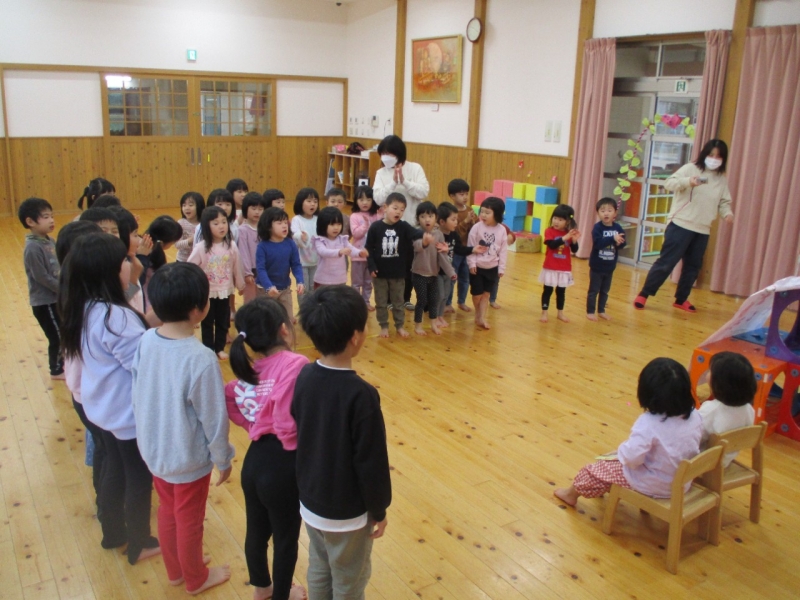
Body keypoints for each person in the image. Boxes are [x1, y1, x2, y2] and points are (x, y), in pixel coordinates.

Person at [132, 262, 234, 595]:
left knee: (168, 511)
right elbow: (213, 418)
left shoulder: (146, 339)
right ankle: (196, 577)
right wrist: (223, 458)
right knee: (189, 519)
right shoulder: (200, 357)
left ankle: (176, 571)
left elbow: (137, 388)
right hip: (187, 458)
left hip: (154, 450)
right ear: (198, 310)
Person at [58, 232, 160, 564]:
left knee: (115, 467)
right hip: (126, 414)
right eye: (124, 261)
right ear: (109, 272)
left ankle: (113, 532)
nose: (130, 265)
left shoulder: (84, 306)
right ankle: (140, 543)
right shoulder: (114, 317)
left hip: (102, 409)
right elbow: (141, 366)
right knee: (139, 478)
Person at [292, 286, 391, 600]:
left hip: (311, 503)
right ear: (356, 337)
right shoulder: (362, 395)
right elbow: (371, 463)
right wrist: (379, 509)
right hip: (347, 515)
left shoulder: (304, 376)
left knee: (319, 566)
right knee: (349, 580)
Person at [225, 298, 309, 600]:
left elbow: (229, 398)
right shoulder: (296, 363)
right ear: (284, 329)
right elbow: (286, 417)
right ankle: (282, 596)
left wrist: (252, 424)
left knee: (257, 531)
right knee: (286, 540)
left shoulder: (248, 372)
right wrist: (288, 436)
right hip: (283, 466)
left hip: (254, 462)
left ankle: (262, 589)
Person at [554, 357, 703, 507]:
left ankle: (570, 494)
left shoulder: (649, 423)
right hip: (681, 483)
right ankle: (604, 484)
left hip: (653, 483)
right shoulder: (695, 415)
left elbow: (631, 458)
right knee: (612, 459)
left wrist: (620, 453)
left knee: (594, 470)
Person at [634, 139, 734, 313]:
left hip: (702, 229)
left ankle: (681, 299)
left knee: (693, 266)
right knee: (666, 263)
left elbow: (724, 202)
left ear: (723, 159)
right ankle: (644, 294)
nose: (714, 159)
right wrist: (688, 181)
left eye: (718, 156)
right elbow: (669, 183)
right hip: (680, 224)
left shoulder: (721, 179)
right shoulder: (690, 168)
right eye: (711, 155)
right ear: (705, 154)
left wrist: (727, 213)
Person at [56, 221, 105, 504]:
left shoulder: (73, 294)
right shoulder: (93, 306)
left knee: (102, 448)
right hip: (90, 393)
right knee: (106, 452)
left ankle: (106, 504)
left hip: (83, 391)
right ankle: (108, 506)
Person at [372, 135, 430, 310]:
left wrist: (404, 182)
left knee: (409, 265)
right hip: (389, 228)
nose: (385, 157)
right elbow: (378, 198)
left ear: (399, 153)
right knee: (390, 264)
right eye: (383, 153)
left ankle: (405, 298)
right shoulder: (381, 173)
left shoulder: (415, 168)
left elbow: (423, 192)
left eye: (389, 153)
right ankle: (390, 300)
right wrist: (393, 183)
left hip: (411, 225)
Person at [365, 193, 428, 338]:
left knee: (398, 301)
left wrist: (424, 236)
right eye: (395, 208)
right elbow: (369, 248)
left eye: (402, 209)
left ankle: (399, 326)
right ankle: (384, 326)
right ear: (385, 207)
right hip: (380, 274)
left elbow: (415, 233)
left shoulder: (403, 226)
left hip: (398, 274)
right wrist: (371, 266)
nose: (398, 212)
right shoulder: (375, 227)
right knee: (381, 302)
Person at [188, 206, 245, 360]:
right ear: (207, 226)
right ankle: (208, 348)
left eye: (224, 222)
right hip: (207, 292)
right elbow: (190, 267)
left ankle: (219, 347)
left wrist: (240, 285)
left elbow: (237, 266)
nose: (221, 226)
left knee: (222, 321)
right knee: (207, 322)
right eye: (216, 223)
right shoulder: (201, 247)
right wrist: (194, 289)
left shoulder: (231, 245)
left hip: (225, 290)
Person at [18, 197, 63, 379]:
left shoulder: (50, 241)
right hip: (45, 302)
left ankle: (64, 364)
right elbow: (41, 277)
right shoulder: (33, 248)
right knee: (57, 336)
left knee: (63, 332)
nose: (51, 220)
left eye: (51, 216)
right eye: (45, 217)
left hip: (56, 298)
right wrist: (63, 288)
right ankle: (56, 369)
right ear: (30, 221)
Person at [699, 351, 756, 467]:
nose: (707, 374)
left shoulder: (710, 410)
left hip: (705, 464)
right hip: (727, 459)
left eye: (710, 371)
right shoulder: (749, 409)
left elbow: (694, 438)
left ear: (720, 383)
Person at [436, 202, 486, 328]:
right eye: (453, 220)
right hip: (436, 271)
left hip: (447, 271)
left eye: (456, 219)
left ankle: (439, 316)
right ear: (442, 222)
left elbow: (459, 249)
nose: (456, 222)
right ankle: (434, 316)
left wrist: (473, 249)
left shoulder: (453, 235)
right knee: (439, 295)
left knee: (445, 295)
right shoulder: (436, 235)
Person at [411, 201, 455, 336]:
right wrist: (424, 243)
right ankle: (418, 325)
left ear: (436, 218)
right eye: (423, 216)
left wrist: (451, 272)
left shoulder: (439, 235)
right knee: (422, 301)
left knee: (434, 300)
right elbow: (416, 247)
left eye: (430, 216)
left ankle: (434, 324)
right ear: (418, 219)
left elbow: (442, 256)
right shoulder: (416, 232)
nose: (427, 219)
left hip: (433, 274)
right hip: (418, 274)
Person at [256, 207, 305, 323]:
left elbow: (296, 265)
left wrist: (300, 281)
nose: (284, 226)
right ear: (268, 226)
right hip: (265, 290)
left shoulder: (291, 244)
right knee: (267, 321)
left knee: (288, 320)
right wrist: (268, 286)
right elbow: (261, 269)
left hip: (285, 288)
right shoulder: (262, 247)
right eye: (279, 223)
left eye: (285, 222)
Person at [466, 197, 508, 330]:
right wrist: (472, 264)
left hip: (492, 267)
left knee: (486, 295)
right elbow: (471, 246)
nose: (483, 215)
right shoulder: (476, 228)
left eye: (487, 212)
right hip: (477, 267)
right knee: (477, 294)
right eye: (482, 211)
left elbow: (503, 251)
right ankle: (478, 313)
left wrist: (501, 268)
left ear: (497, 214)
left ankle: (481, 317)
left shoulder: (501, 230)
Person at [587, 198, 626, 321]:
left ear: (615, 213)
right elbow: (598, 244)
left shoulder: (618, 228)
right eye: (602, 211)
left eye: (609, 210)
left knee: (605, 291)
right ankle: (590, 311)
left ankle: (601, 311)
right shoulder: (597, 228)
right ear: (598, 213)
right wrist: (612, 239)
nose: (606, 213)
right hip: (597, 266)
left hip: (610, 267)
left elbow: (623, 243)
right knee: (594, 290)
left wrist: (619, 243)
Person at [539, 204, 580, 324]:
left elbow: (574, 250)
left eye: (561, 220)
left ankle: (560, 313)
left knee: (561, 291)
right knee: (547, 290)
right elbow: (552, 245)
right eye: (555, 218)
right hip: (550, 266)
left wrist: (574, 240)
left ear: (568, 222)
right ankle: (544, 312)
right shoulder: (549, 231)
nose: (556, 221)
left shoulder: (568, 233)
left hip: (564, 268)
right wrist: (564, 237)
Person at [312, 206, 366, 289]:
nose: (336, 228)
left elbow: (351, 249)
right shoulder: (319, 240)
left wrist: (359, 253)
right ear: (323, 225)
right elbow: (323, 252)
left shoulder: (342, 239)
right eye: (332, 224)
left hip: (340, 280)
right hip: (323, 280)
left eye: (339, 224)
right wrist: (339, 252)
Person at [445, 178, 478, 313]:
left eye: (466, 194)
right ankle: (447, 303)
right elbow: (454, 232)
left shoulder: (470, 210)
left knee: (465, 278)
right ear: (452, 196)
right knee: (452, 277)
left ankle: (461, 301)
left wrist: (474, 222)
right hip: (455, 250)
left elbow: (476, 229)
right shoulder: (451, 212)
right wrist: (466, 221)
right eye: (461, 194)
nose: (465, 197)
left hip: (467, 250)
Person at [349, 185, 381, 311]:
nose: (365, 202)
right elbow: (356, 234)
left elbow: (380, 230)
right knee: (356, 283)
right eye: (361, 199)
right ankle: (356, 304)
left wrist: (381, 214)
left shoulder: (376, 215)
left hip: (371, 257)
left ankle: (366, 302)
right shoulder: (354, 216)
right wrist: (365, 226)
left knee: (368, 282)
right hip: (357, 256)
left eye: (368, 199)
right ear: (356, 200)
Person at [239, 192, 269, 304]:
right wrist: (247, 272)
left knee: (265, 299)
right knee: (250, 300)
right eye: (253, 208)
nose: (257, 212)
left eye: (260, 209)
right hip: (251, 271)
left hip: (265, 269)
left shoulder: (266, 229)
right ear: (245, 209)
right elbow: (243, 252)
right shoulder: (243, 230)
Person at [291, 188, 320, 303]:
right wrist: (300, 236)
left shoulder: (318, 219)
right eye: (309, 201)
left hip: (316, 261)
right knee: (303, 288)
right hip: (301, 262)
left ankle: (312, 309)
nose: (313, 204)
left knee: (314, 288)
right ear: (300, 202)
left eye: (315, 201)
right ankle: (304, 310)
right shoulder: (297, 219)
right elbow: (295, 233)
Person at [176, 192, 205, 262]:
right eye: (184, 205)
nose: (186, 208)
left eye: (190, 205)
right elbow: (177, 245)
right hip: (183, 260)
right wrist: (190, 240)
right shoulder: (181, 223)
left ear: (199, 206)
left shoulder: (204, 223)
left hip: (200, 260)